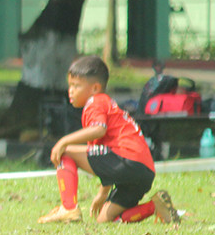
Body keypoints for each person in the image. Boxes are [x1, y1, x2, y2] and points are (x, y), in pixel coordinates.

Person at [38, 55, 180, 224]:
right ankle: (155, 206)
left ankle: (68, 208)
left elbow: (98, 130)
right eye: (70, 86)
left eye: (76, 86)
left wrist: (63, 141)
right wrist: (102, 194)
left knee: (64, 152)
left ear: (95, 88)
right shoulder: (108, 105)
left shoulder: (95, 101)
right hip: (144, 171)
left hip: (127, 160)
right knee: (104, 220)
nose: (71, 90)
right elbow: (103, 158)